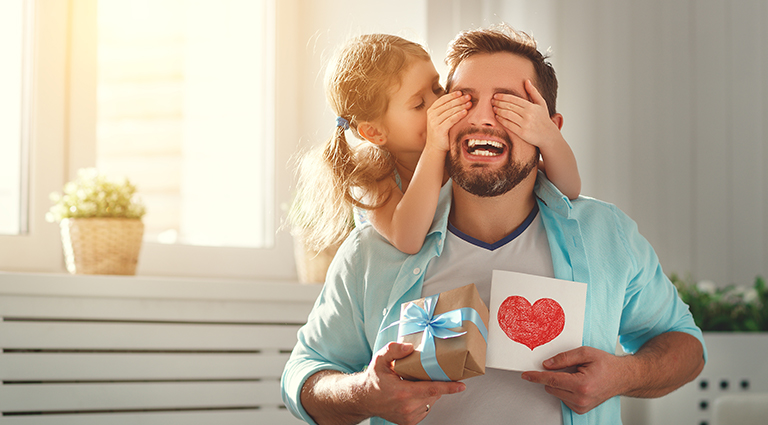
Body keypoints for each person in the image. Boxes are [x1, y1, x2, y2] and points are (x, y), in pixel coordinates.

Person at [281, 23, 706, 425]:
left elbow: (686, 346)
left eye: (510, 106)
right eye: (461, 99)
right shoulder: (373, 248)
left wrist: (622, 376)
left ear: (548, 129)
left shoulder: (606, 234)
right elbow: (305, 373)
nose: (482, 119)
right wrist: (364, 392)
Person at [291, 33, 581, 256]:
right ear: (375, 133)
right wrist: (434, 150)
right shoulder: (375, 171)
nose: (438, 105)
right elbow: (408, 239)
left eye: (437, 88)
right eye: (419, 104)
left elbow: (566, 188)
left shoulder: (460, 151)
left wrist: (547, 136)